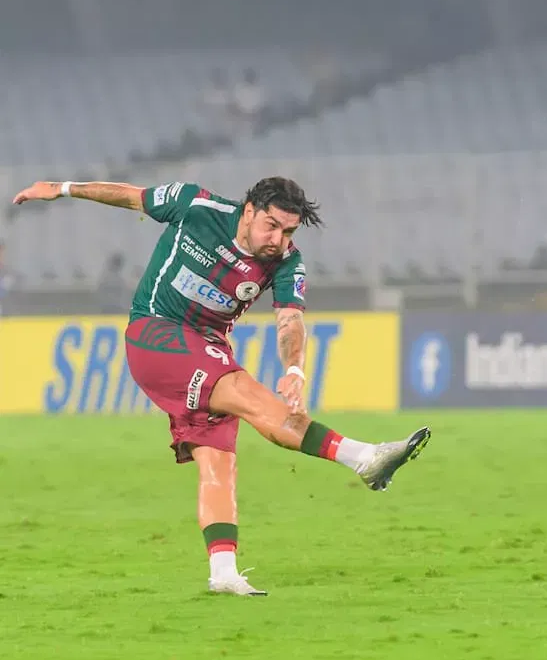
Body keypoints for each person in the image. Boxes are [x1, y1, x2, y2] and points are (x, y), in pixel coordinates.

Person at [11, 177, 432, 597]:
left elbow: (290, 320)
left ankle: (223, 572)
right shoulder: (196, 206)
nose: (278, 239)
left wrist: (295, 371)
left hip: (207, 348)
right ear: (248, 211)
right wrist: (63, 188)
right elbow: (131, 197)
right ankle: (363, 457)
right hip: (155, 333)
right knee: (244, 392)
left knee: (219, 463)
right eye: (271, 226)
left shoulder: (287, 262)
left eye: (288, 231)